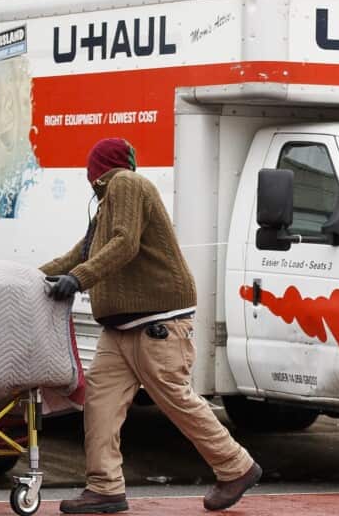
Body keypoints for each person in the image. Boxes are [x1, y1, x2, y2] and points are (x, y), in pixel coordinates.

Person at [42, 137, 261, 514]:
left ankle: (236, 467)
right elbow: (80, 253)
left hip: (157, 321)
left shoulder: (127, 184)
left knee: (174, 397)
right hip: (120, 327)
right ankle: (105, 487)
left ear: (97, 170)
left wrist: (78, 279)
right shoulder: (108, 203)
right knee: (100, 402)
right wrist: (29, 277)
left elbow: (124, 244)